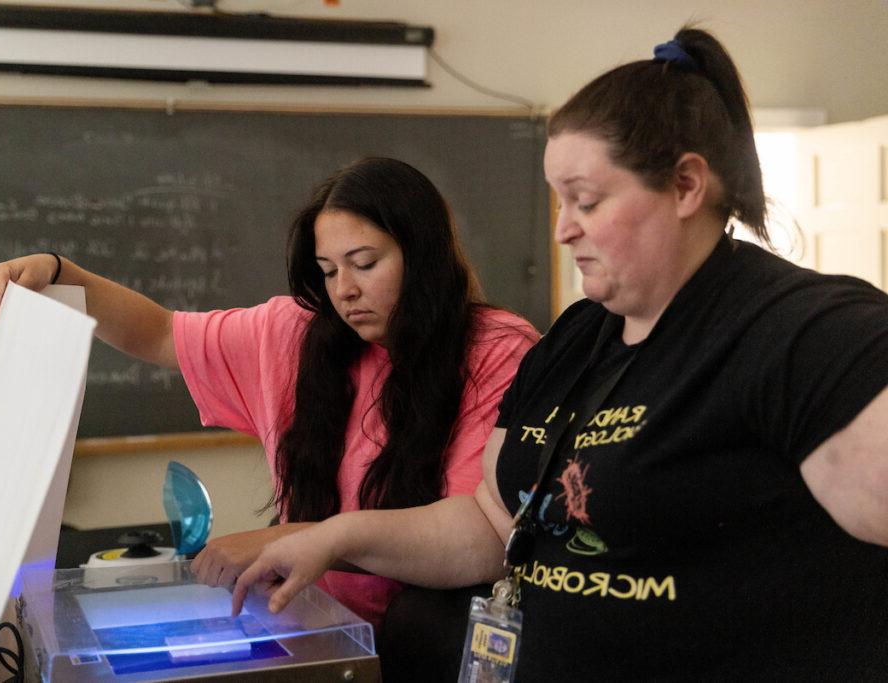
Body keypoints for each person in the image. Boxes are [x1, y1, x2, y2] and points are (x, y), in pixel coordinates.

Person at [231, 28, 888, 680]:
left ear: (687, 186)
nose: (562, 227)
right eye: (558, 199)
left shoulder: (801, 331)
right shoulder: (578, 338)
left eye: (588, 200)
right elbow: (491, 524)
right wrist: (337, 536)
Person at [0, 156, 539, 628]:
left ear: (424, 255)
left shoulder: (496, 351)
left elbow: (481, 539)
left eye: (365, 264)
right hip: (311, 627)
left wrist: (307, 538)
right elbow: (157, 333)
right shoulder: (294, 333)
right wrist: (58, 272)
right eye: (327, 271)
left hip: (429, 644)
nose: (345, 290)